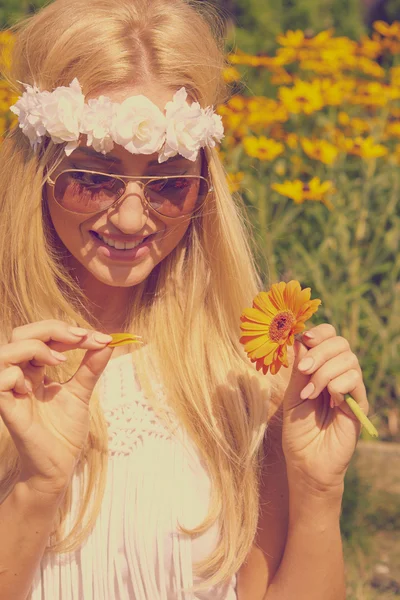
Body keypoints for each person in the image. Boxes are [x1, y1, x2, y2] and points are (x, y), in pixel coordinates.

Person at [0, 0, 369, 599]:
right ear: (35, 171)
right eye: (92, 177)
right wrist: (36, 490)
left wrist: (319, 499)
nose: (128, 217)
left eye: (168, 183)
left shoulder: (243, 383)